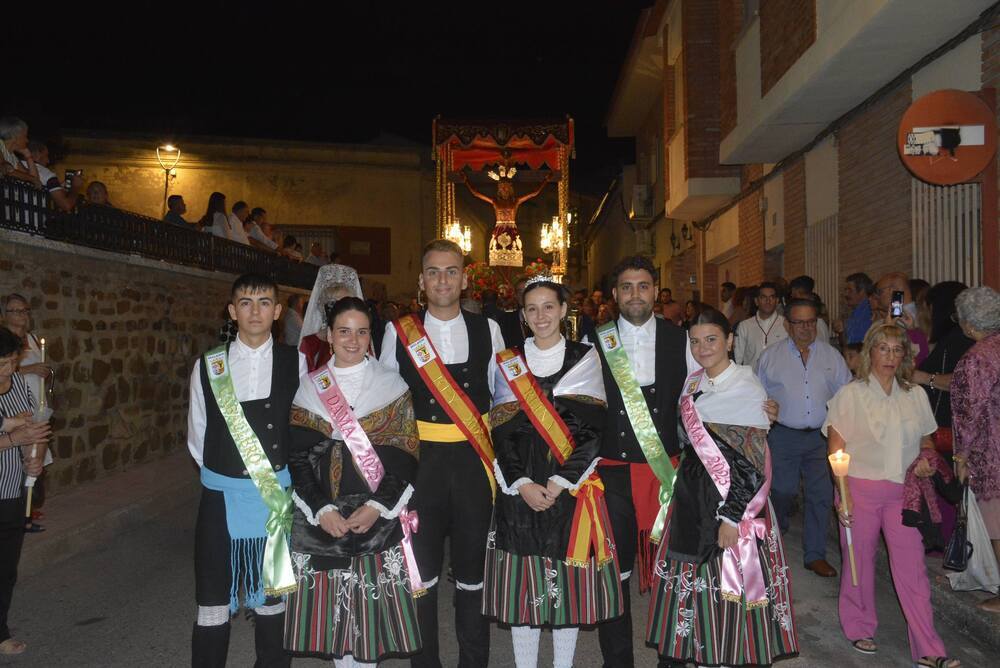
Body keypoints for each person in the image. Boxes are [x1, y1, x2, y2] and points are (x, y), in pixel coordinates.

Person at [646, 307, 798, 665]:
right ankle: (690, 649)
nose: (703, 348)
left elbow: (752, 464)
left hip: (730, 503)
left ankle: (720, 652)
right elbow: (688, 439)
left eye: (712, 339)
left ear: (730, 340)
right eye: (695, 341)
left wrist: (732, 519)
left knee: (724, 589)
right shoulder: (694, 382)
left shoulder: (746, 386)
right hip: (691, 499)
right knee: (690, 586)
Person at [379, 239, 505, 668]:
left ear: (465, 278)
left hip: (473, 466)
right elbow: (386, 408)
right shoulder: (398, 332)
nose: (443, 280)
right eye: (433, 272)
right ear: (421, 281)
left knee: (473, 575)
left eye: (451, 271)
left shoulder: (488, 329)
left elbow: (503, 399)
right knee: (423, 575)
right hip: (422, 467)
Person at [484, 275, 622, 668]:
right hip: (520, 487)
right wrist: (521, 482)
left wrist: (561, 481)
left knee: (567, 589)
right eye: (532, 309)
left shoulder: (586, 357)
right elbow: (501, 429)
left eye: (549, 306)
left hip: (570, 485)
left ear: (564, 309)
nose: (541, 315)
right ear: (524, 316)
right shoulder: (508, 361)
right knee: (523, 591)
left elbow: (595, 430)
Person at [284, 297, 422, 665]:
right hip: (325, 518)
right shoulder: (310, 387)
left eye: (362, 331)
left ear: (370, 336)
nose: (352, 339)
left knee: (369, 625)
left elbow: (406, 453)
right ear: (329, 335)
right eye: (343, 331)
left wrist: (377, 507)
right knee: (337, 624)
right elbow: (297, 457)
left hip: (375, 517)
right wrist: (321, 508)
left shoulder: (391, 385)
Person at [825, 322, 960, 668]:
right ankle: (859, 626)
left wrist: (927, 461)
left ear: (905, 356)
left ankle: (929, 649)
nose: (890, 355)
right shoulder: (851, 394)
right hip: (859, 489)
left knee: (913, 569)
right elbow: (836, 448)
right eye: (882, 348)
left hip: (903, 494)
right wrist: (843, 496)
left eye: (897, 349)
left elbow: (926, 441)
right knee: (858, 564)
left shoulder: (914, 395)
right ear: (870, 351)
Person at [586, 256, 694, 668]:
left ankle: (672, 659)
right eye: (627, 286)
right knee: (615, 575)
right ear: (615, 294)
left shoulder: (680, 339)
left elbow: (704, 393)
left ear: (656, 291)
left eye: (643, 286)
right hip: (610, 472)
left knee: (672, 570)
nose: (635, 294)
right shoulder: (594, 341)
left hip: (664, 473)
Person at [186, 274, 299, 668]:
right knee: (213, 602)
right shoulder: (208, 364)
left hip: (274, 502)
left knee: (273, 601)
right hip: (221, 499)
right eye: (246, 303)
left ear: (278, 311)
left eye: (265, 302)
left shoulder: (296, 362)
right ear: (232, 311)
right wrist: (231, 477)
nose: (255, 311)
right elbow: (198, 436)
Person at [756, 298, 851, 578]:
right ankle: (778, 529)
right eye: (799, 322)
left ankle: (815, 555)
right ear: (787, 325)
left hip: (821, 437)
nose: (806, 328)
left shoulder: (831, 356)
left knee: (820, 496)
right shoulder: (770, 357)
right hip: (783, 436)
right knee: (781, 491)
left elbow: (845, 395)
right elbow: (755, 394)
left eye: (811, 322)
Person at [0, 327, 50, 656]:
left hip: (12, 487)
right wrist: (11, 439)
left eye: (11, 362)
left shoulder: (18, 384)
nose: (7, 370)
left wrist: (36, 459)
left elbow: (37, 427)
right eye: (1, 363)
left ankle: (0, 629)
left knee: (6, 568)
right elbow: (16, 434)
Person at [951, 286, 1000, 613]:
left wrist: (962, 456)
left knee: (997, 522)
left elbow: (971, 412)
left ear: (968, 324)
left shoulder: (977, 358)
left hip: (992, 452)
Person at [299, 264, 364, 373]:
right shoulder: (310, 343)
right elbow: (302, 379)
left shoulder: (360, 340)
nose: (337, 310)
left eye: (343, 304)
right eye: (332, 303)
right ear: (323, 306)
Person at [875, 272, 929, 366]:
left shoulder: (900, 319)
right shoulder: (922, 312)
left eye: (880, 292)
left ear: (893, 290)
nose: (877, 297)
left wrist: (888, 327)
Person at [733, 281, 787, 367]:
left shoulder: (786, 324)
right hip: (752, 378)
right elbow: (738, 359)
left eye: (771, 297)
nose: (768, 301)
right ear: (756, 301)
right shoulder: (745, 326)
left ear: (777, 301)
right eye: (763, 297)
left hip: (779, 378)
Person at [26, 141, 79, 212]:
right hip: (34, 219)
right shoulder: (47, 175)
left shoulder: (17, 166)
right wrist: (75, 187)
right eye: (46, 156)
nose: (48, 161)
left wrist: (58, 187)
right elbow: (66, 205)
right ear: (37, 155)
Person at [840, 272, 875, 345]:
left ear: (862, 291)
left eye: (850, 290)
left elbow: (856, 344)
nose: (846, 294)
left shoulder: (870, 311)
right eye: (845, 290)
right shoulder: (854, 312)